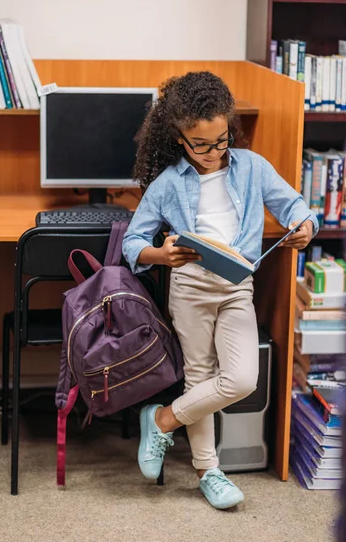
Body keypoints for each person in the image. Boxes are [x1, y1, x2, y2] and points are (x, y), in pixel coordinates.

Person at [122, 71, 318, 510]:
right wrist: (162, 254)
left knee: (242, 378)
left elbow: (295, 207)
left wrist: (305, 226)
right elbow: (133, 242)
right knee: (200, 377)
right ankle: (209, 472)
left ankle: (162, 419)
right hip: (190, 285)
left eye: (221, 140)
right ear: (179, 138)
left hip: (236, 284)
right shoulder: (168, 183)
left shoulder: (252, 167)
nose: (213, 152)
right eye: (201, 144)